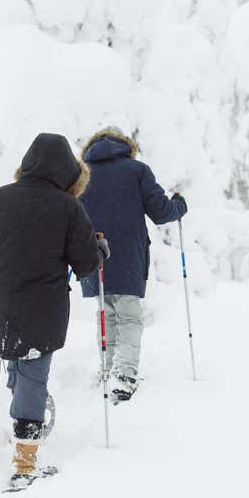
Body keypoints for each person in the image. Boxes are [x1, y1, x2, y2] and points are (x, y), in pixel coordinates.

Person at [0, 133, 109, 491]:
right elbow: (87, 262)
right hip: (42, 308)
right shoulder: (67, 206)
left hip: (1, 303)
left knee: (17, 358)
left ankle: (26, 407)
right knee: (32, 373)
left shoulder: (0, 198)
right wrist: (100, 247)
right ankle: (25, 459)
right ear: (67, 172)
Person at [78, 127, 187, 402]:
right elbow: (161, 212)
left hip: (91, 252)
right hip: (127, 253)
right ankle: (123, 375)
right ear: (126, 146)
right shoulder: (137, 170)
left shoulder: (82, 173)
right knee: (128, 315)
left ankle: (109, 369)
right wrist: (179, 206)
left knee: (106, 312)